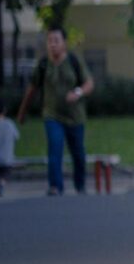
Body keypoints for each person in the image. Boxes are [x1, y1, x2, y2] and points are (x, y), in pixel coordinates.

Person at [16, 26, 95, 195]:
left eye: (56, 41)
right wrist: (22, 112)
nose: (52, 44)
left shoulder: (74, 60)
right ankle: (55, 186)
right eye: (50, 41)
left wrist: (77, 92)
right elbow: (32, 89)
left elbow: (89, 84)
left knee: (78, 154)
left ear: (64, 43)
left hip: (75, 117)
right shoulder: (44, 64)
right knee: (55, 148)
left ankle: (80, 185)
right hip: (52, 115)